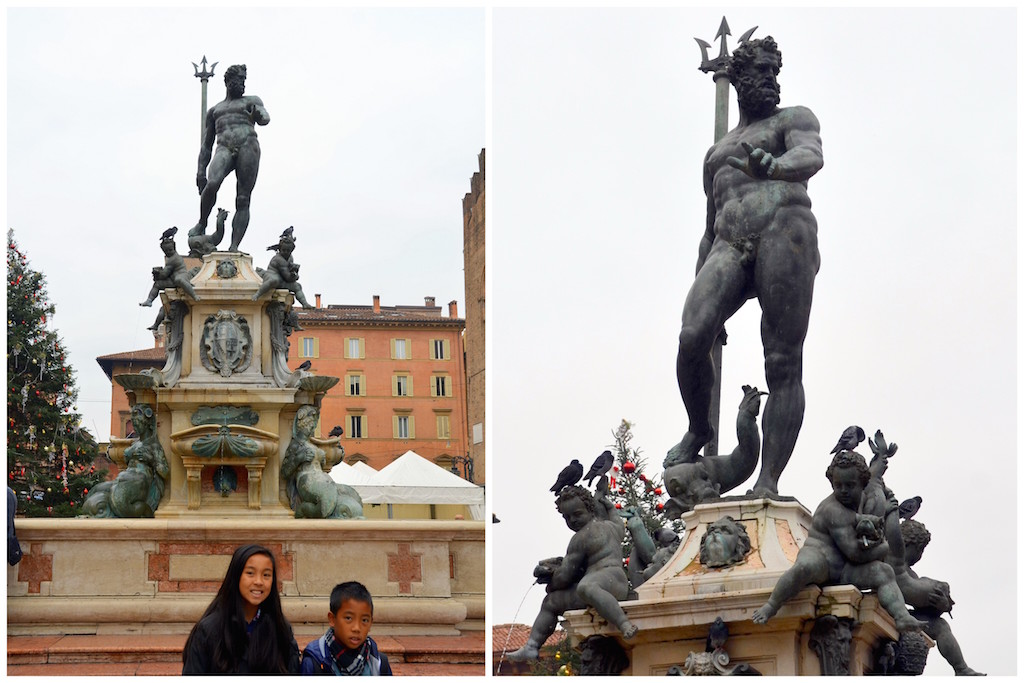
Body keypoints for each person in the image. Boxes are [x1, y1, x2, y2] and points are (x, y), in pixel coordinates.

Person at [672, 36, 823, 498]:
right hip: (728, 241)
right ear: (738, 79)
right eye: (760, 72)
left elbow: (810, 156)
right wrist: (701, 272)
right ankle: (699, 429)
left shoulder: (794, 118)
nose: (770, 81)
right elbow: (708, 224)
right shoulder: (716, 154)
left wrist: (774, 167)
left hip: (785, 228)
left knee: (781, 361)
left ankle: (768, 481)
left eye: (774, 73)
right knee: (693, 335)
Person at [751, 451, 924, 633]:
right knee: (803, 568)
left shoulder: (861, 500)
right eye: (838, 485)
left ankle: (902, 616)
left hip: (843, 568)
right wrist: (884, 548)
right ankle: (771, 604)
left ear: (862, 484)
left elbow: (860, 518)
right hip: (822, 559)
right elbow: (855, 554)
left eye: (850, 485)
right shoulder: (832, 509)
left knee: (884, 572)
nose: (843, 491)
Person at [506, 481, 637, 661]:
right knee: (552, 602)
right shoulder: (612, 527)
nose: (572, 521)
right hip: (617, 583)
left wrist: (551, 578)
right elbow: (617, 519)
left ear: (590, 510)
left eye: (576, 514)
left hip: (604, 583)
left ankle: (624, 623)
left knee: (581, 589)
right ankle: (531, 646)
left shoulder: (580, 538)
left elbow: (565, 576)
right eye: (567, 518)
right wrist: (608, 505)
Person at [182, 544, 300, 674]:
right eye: (250, 573)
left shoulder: (281, 630)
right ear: (236, 575)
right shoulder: (209, 630)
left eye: (266, 575)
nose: (259, 581)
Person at [194, 64, 270, 253]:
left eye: (244, 80)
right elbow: (206, 144)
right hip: (224, 147)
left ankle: (234, 246)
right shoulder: (214, 111)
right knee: (212, 183)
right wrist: (200, 170)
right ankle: (202, 222)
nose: (242, 84)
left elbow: (265, 118)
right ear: (228, 82)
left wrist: (259, 115)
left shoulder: (252, 100)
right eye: (239, 80)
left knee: (243, 198)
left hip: (248, 145)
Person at [301, 581, 392, 676]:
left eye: (364, 620)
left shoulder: (379, 664)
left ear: (370, 623)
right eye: (348, 618)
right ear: (332, 619)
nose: (357, 628)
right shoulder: (315, 662)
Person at [140, 235, 199, 306]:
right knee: (157, 284)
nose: (168, 252)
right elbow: (166, 272)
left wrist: (158, 273)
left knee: (179, 280)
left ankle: (194, 295)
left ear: (174, 248)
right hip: (172, 280)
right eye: (166, 251)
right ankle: (149, 300)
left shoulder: (174, 258)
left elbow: (164, 274)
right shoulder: (169, 258)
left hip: (181, 275)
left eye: (170, 250)